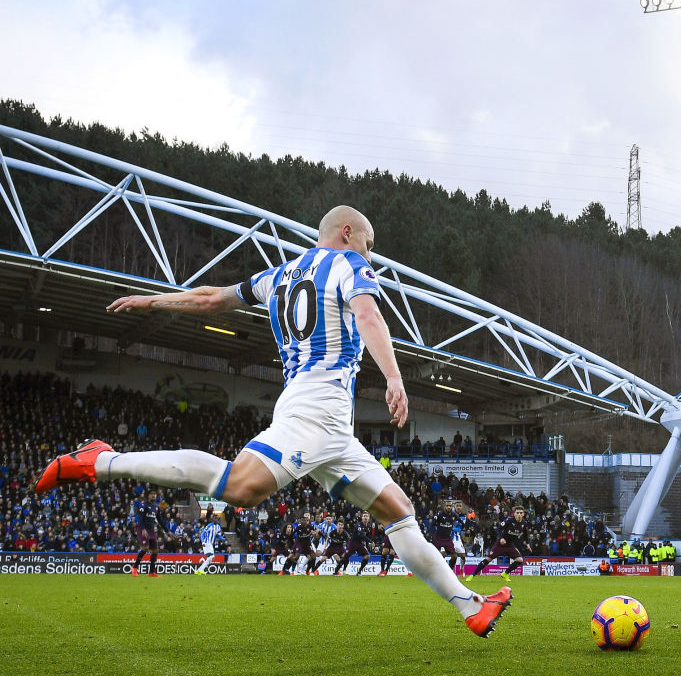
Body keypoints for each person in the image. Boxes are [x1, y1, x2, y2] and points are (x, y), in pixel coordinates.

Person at [36, 205, 511, 637]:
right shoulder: (349, 264)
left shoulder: (278, 275)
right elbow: (368, 314)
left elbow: (210, 299)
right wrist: (393, 376)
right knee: (242, 487)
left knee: (398, 511)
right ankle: (103, 460)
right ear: (347, 233)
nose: (372, 253)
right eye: (369, 241)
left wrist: (154, 301)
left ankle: (470, 606)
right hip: (317, 409)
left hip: (328, 424)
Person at [466, 507, 529, 583]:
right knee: (488, 559)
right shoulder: (509, 520)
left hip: (510, 545)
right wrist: (501, 538)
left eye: (521, 513)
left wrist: (527, 543)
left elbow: (525, 534)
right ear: (514, 514)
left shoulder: (524, 523)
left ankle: (505, 573)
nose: (519, 514)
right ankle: (472, 575)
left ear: (523, 514)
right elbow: (498, 529)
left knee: (519, 560)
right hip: (500, 544)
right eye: (517, 513)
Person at [131, 492, 172, 577]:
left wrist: (168, 531)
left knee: (155, 550)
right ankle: (134, 568)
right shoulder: (143, 505)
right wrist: (142, 529)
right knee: (145, 548)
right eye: (151, 494)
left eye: (155, 494)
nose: (153, 495)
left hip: (151, 530)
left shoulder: (156, 507)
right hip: (142, 529)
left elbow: (160, 521)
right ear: (148, 496)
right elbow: (140, 519)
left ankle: (151, 572)